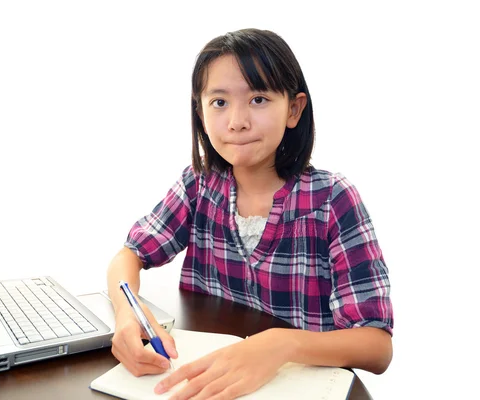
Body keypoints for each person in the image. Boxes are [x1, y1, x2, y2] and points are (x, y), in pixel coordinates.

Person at [106, 28, 393, 400]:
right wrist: (128, 315)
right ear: (200, 110)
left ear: (294, 109)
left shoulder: (332, 200)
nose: (237, 121)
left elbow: (376, 346)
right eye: (219, 102)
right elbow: (129, 255)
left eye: (258, 99)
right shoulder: (200, 184)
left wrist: (280, 344)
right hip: (212, 381)